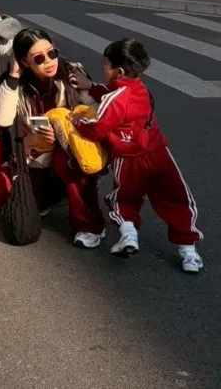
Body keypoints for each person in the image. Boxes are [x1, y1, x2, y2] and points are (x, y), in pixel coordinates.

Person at [70, 39, 204, 273]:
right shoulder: (140, 89)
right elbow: (115, 95)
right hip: (158, 153)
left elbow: (98, 127)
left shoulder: (115, 99)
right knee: (175, 197)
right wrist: (91, 85)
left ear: (119, 71)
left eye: (106, 65)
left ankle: (129, 234)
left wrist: (78, 122)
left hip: (127, 159)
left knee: (123, 199)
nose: (104, 68)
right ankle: (189, 252)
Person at [0, 27, 105, 247]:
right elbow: (2, 119)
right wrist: (13, 77)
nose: (49, 61)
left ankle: (89, 226)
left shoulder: (71, 74)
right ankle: (54, 196)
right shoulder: (16, 83)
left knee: (68, 162)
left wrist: (66, 125)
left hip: (71, 147)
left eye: (52, 53)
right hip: (35, 152)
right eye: (39, 58)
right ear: (24, 61)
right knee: (2, 193)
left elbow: (96, 111)